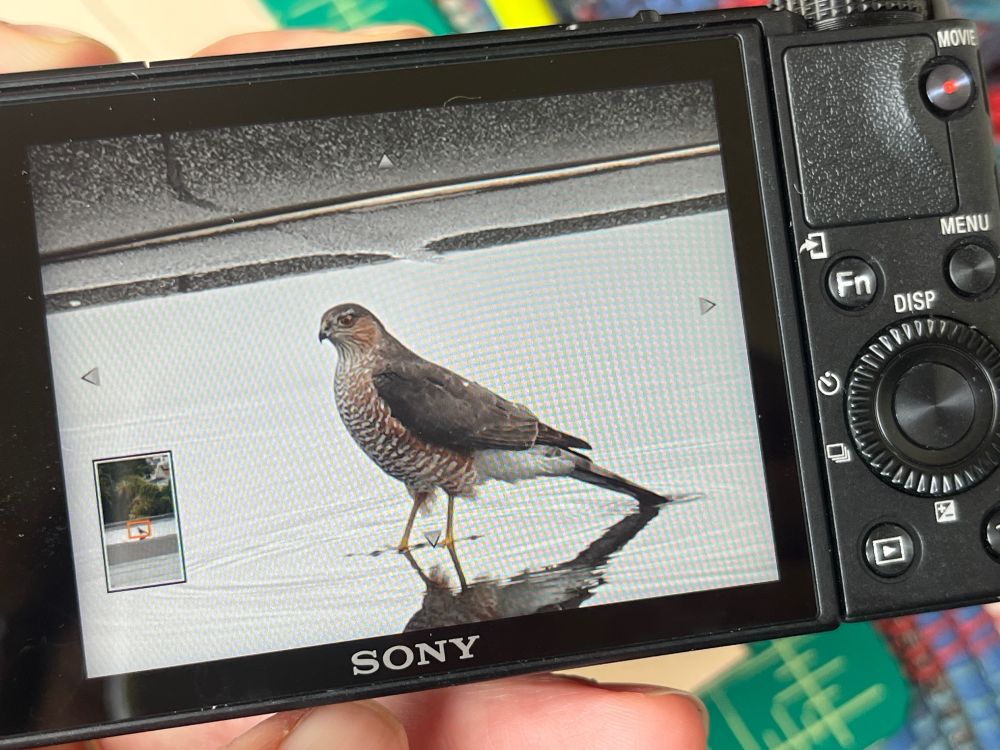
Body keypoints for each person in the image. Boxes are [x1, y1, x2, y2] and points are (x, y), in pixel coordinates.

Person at [0, 19, 709, 750]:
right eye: (328, 324)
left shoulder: (397, 377)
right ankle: (420, 545)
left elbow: (459, 456)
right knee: (425, 502)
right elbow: (422, 471)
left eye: (344, 320)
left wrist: (506, 493)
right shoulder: (354, 384)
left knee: (462, 517)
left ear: (364, 327)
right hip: (458, 484)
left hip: (496, 453)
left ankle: (484, 543)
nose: (332, 331)